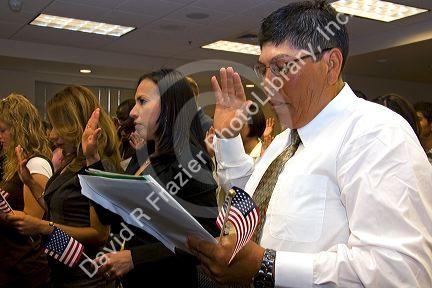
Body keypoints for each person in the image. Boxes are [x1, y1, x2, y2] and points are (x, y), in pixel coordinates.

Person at [187, 1, 432, 287]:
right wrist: (229, 137)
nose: (267, 84)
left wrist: (266, 266)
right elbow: (249, 207)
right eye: (264, 68)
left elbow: (401, 271)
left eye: (281, 67)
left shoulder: (377, 135)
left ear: (331, 65)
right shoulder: (283, 142)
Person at [94, 69, 219, 287]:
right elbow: (113, 216)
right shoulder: (143, 155)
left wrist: (135, 258)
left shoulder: (190, 161)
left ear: (170, 108)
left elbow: (206, 238)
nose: (133, 112)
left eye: (142, 102)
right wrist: (91, 160)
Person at [6, 86, 122, 288]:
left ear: (75, 125)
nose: (51, 135)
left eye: (57, 127)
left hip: (86, 278)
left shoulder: (97, 165)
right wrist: (30, 183)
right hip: (63, 272)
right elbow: (59, 210)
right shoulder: (71, 161)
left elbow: (99, 235)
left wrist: (41, 226)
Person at [0, 93, 53, 287]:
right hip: (12, 265)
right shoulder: (14, 164)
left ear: (19, 129)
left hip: (26, 270)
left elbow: (33, 222)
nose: (0, 137)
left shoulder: (36, 164)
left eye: (3, 130)